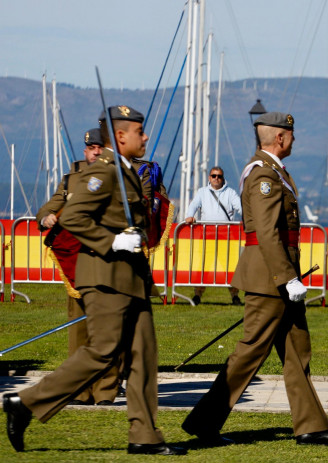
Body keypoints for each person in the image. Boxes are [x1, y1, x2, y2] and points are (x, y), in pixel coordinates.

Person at [2, 105, 186, 455]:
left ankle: (144, 435)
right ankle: (24, 403)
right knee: (101, 352)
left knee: (143, 357)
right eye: (138, 131)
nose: (144, 136)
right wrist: (112, 240)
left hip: (131, 279)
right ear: (120, 136)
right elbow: (73, 215)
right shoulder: (104, 173)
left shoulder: (128, 171)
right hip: (105, 278)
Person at [181, 112, 328, 447]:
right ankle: (204, 422)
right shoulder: (263, 174)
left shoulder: (273, 171)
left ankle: (311, 426)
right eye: (291, 134)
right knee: (250, 352)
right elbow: (267, 231)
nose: (294, 139)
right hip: (270, 279)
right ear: (280, 138)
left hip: (278, 276)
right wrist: (286, 277)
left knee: (296, 351)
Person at [34, 128, 121, 407]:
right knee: (79, 328)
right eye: (91, 148)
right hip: (77, 263)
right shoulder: (71, 179)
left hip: (107, 260)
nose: (95, 151)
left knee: (108, 329)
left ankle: (106, 391)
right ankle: (80, 390)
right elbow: (51, 206)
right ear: (85, 151)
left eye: (99, 147)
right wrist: (46, 216)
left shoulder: (117, 175)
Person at [184, 166, 243, 305]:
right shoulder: (202, 192)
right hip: (207, 235)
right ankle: (197, 294)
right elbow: (193, 205)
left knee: (230, 266)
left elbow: (241, 207)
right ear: (209, 177)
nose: (216, 178)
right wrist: (189, 216)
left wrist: (247, 218)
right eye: (214, 176)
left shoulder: (231, 193)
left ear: (223, 178)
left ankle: (235, 295)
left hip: (226, 235)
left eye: (219, 176)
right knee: (203, 265)